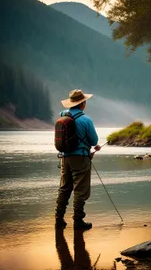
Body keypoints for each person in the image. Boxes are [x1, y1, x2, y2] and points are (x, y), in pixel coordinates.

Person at [55, 89, 101, 230]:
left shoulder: (62, 116)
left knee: (64, 188)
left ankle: (59, 219)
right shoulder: (86, 120)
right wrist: (95, 146)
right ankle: (78, 221)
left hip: (64, 157)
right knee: (80, 190)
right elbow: (94, 140)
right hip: (80, 158)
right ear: (82, 104)